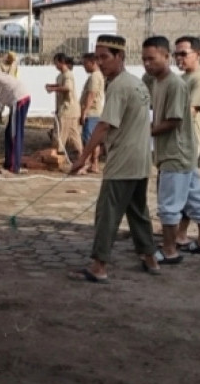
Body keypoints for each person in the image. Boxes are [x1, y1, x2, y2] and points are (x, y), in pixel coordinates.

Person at [69, 35, 160, 282]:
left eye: (105, 57)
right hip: (140, 161)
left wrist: (82, 158)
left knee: (107, 214)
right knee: (138, 212)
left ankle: (99, 266)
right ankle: (150, 258)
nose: (100, 63)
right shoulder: (136, 83)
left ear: (119, 57)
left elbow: (103, 126)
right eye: (97, 58)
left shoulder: (120, 86)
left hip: (123, 162)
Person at [144, 35, 200, 265]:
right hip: (181, 152)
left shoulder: (175, 84)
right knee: (195, 202)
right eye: (144, 59)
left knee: (169, 206)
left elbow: (174, 120)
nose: (147, 63)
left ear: (164, 57)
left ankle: (169, 250)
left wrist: (145, 132)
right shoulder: (158, 81)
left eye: (152, 59)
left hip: (177, 152)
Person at [172, 36, 200, 250]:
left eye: (184, 53)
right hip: (182, 144)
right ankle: (180, 235)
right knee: (185, 194)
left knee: (194, 194)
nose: (178, 58)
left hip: (194, 146)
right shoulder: (182, 79)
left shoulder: (198, 79)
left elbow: (187, 111)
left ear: (197, 54)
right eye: (176, 54)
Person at [46, 53, 83, 162]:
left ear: (61, 62)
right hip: (64, 109)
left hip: (68, 110)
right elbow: (61, 86)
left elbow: (67, 88)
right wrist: (52, 86)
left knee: (61, 135)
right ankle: (81, 157)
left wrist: (53, 89)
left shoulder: (68, 75)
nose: (55, 65)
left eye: (56, 62)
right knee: (73, 136)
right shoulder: (61, 76)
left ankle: (58, 157)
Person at [79, 53, 105, 173]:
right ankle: (94, 164)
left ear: (92, 62)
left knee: (89, 140)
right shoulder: (99, 75)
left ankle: (85, 164)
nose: (84, 66)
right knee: (95, 139)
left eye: (85, 64)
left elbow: (91, 94)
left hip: (92, 112)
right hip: (96, 112)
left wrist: (85, 111)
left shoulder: (95, 76)